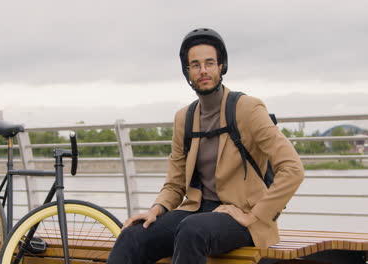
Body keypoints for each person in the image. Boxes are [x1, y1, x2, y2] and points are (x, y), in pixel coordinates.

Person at [107, 28, 304, 264]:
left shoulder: (248, 109)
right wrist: (156, 209)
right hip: (197, 210)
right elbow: (175, 183)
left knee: (192, 230)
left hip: (241, 215)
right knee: (133, 236)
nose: (203, 71)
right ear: (187, 72)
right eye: (195, 65)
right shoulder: (185, 118)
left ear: (221, 66)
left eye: (210, 63)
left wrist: (254, 216)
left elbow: (293, 169)